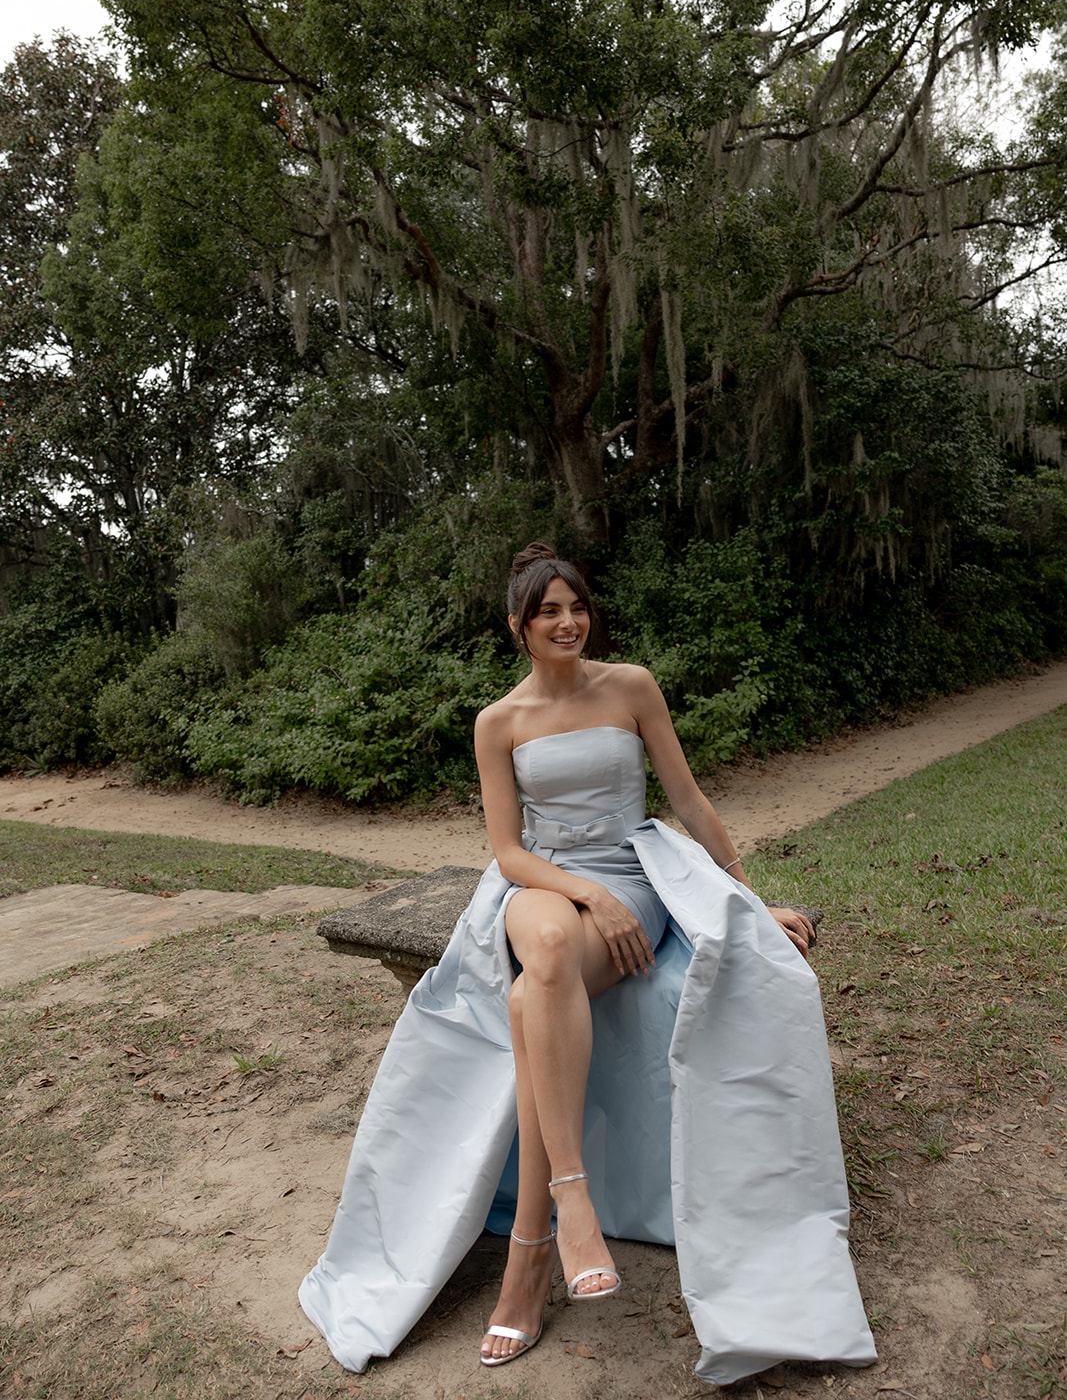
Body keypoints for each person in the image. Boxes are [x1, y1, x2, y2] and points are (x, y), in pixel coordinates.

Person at [299, 543, 876, 1387]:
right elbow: (505, 848)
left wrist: (745, 898)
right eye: (547, 613)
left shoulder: (631, 686)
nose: (567, 622)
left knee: (537, 991)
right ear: (518, 628)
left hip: (634, 873)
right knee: (544, 944)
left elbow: (687, 801)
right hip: (540, 883)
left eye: (575, 607)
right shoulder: (498, 721)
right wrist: (581, 895)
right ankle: (571, 1206)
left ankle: (531, 1251)